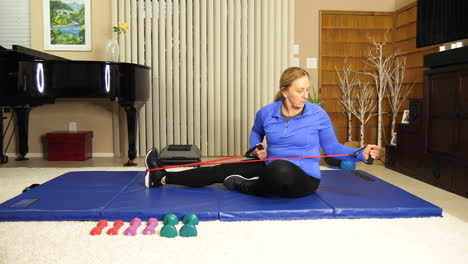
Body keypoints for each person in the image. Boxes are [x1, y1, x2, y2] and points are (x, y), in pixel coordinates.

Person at [145, 67, 380, 198]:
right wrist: (256, 148)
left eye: (307, 90)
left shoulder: (317, 114)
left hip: (303, 180)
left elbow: (332, 148)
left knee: (281, 168)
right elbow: (256, 132)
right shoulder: (267, 113)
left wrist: (360, 153)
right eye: (300, 91)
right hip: (269, 166)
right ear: (285, 91)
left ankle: (247, 186)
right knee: (220, 170)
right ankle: (161, 176)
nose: (305, 96)